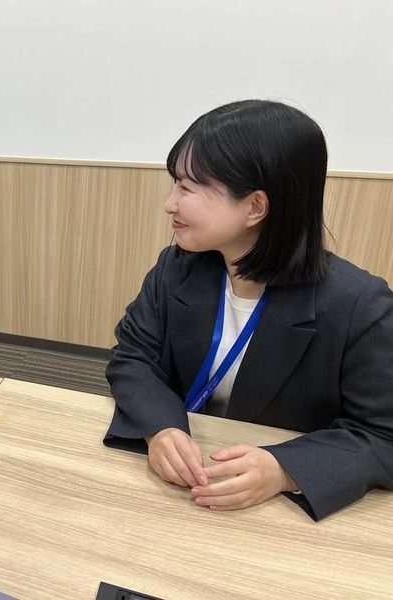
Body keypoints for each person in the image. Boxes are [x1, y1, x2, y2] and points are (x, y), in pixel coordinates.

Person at [103, 99, 393, 521]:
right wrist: (160, 427)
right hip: (182, 486)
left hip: (272, 513)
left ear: (255, 207)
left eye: (187, 187)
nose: (170, 203)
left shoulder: (359, 305)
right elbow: (132, 358)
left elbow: (384, 435)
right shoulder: (177, 268)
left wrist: (285, 470)